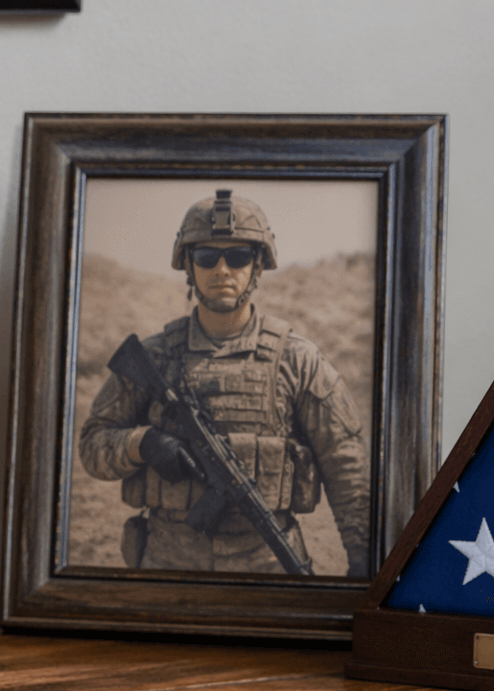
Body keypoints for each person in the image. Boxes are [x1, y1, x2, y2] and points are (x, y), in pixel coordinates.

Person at [79, 189, 370, 577]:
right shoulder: (155, 357)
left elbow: (345, 463)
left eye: (238, 256)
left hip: (267, 563)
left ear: (258, 266)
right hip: (168, 564)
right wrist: (142, 443)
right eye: (205, 256)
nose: (221, 270)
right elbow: (93, 444)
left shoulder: (297, 360)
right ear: (188, 266)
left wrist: (361, 556)